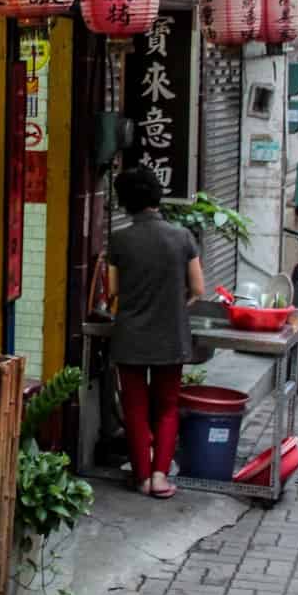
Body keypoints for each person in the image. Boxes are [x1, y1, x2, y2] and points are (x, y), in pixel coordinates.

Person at [107, 165, 205, 498]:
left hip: (130, 336)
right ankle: (161, 477)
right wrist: (177, 305)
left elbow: (113, 289)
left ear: (125, 201)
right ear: (156, 195)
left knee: (134, 408)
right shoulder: (181, 237)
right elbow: (199, 288)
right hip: (170, 335)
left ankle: (142, 476)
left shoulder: (120, 239)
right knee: (166, 407)